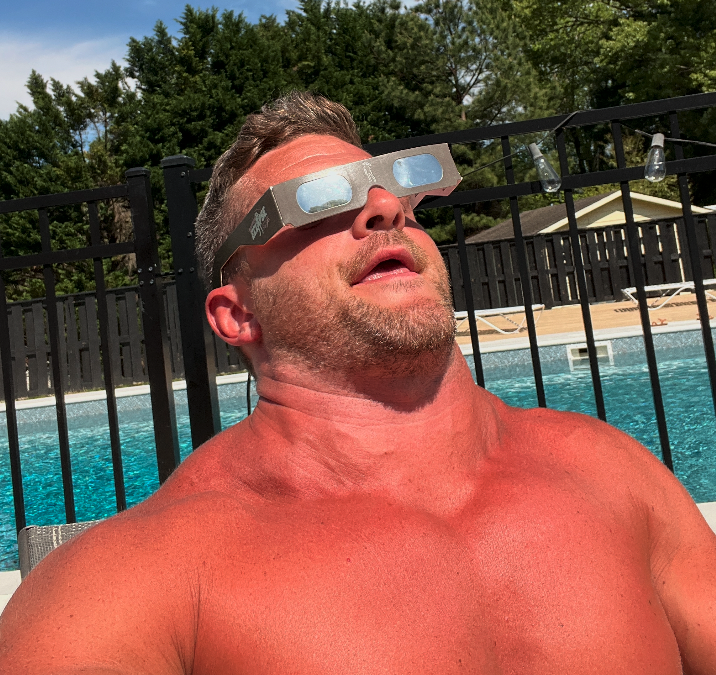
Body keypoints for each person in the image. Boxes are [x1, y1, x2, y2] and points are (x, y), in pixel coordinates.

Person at [1, 91, 715, 675]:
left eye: (395, 189)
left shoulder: (609, 471)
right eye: (315, 201)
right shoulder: (141, 579)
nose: (384, 209)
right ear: (237, 313)